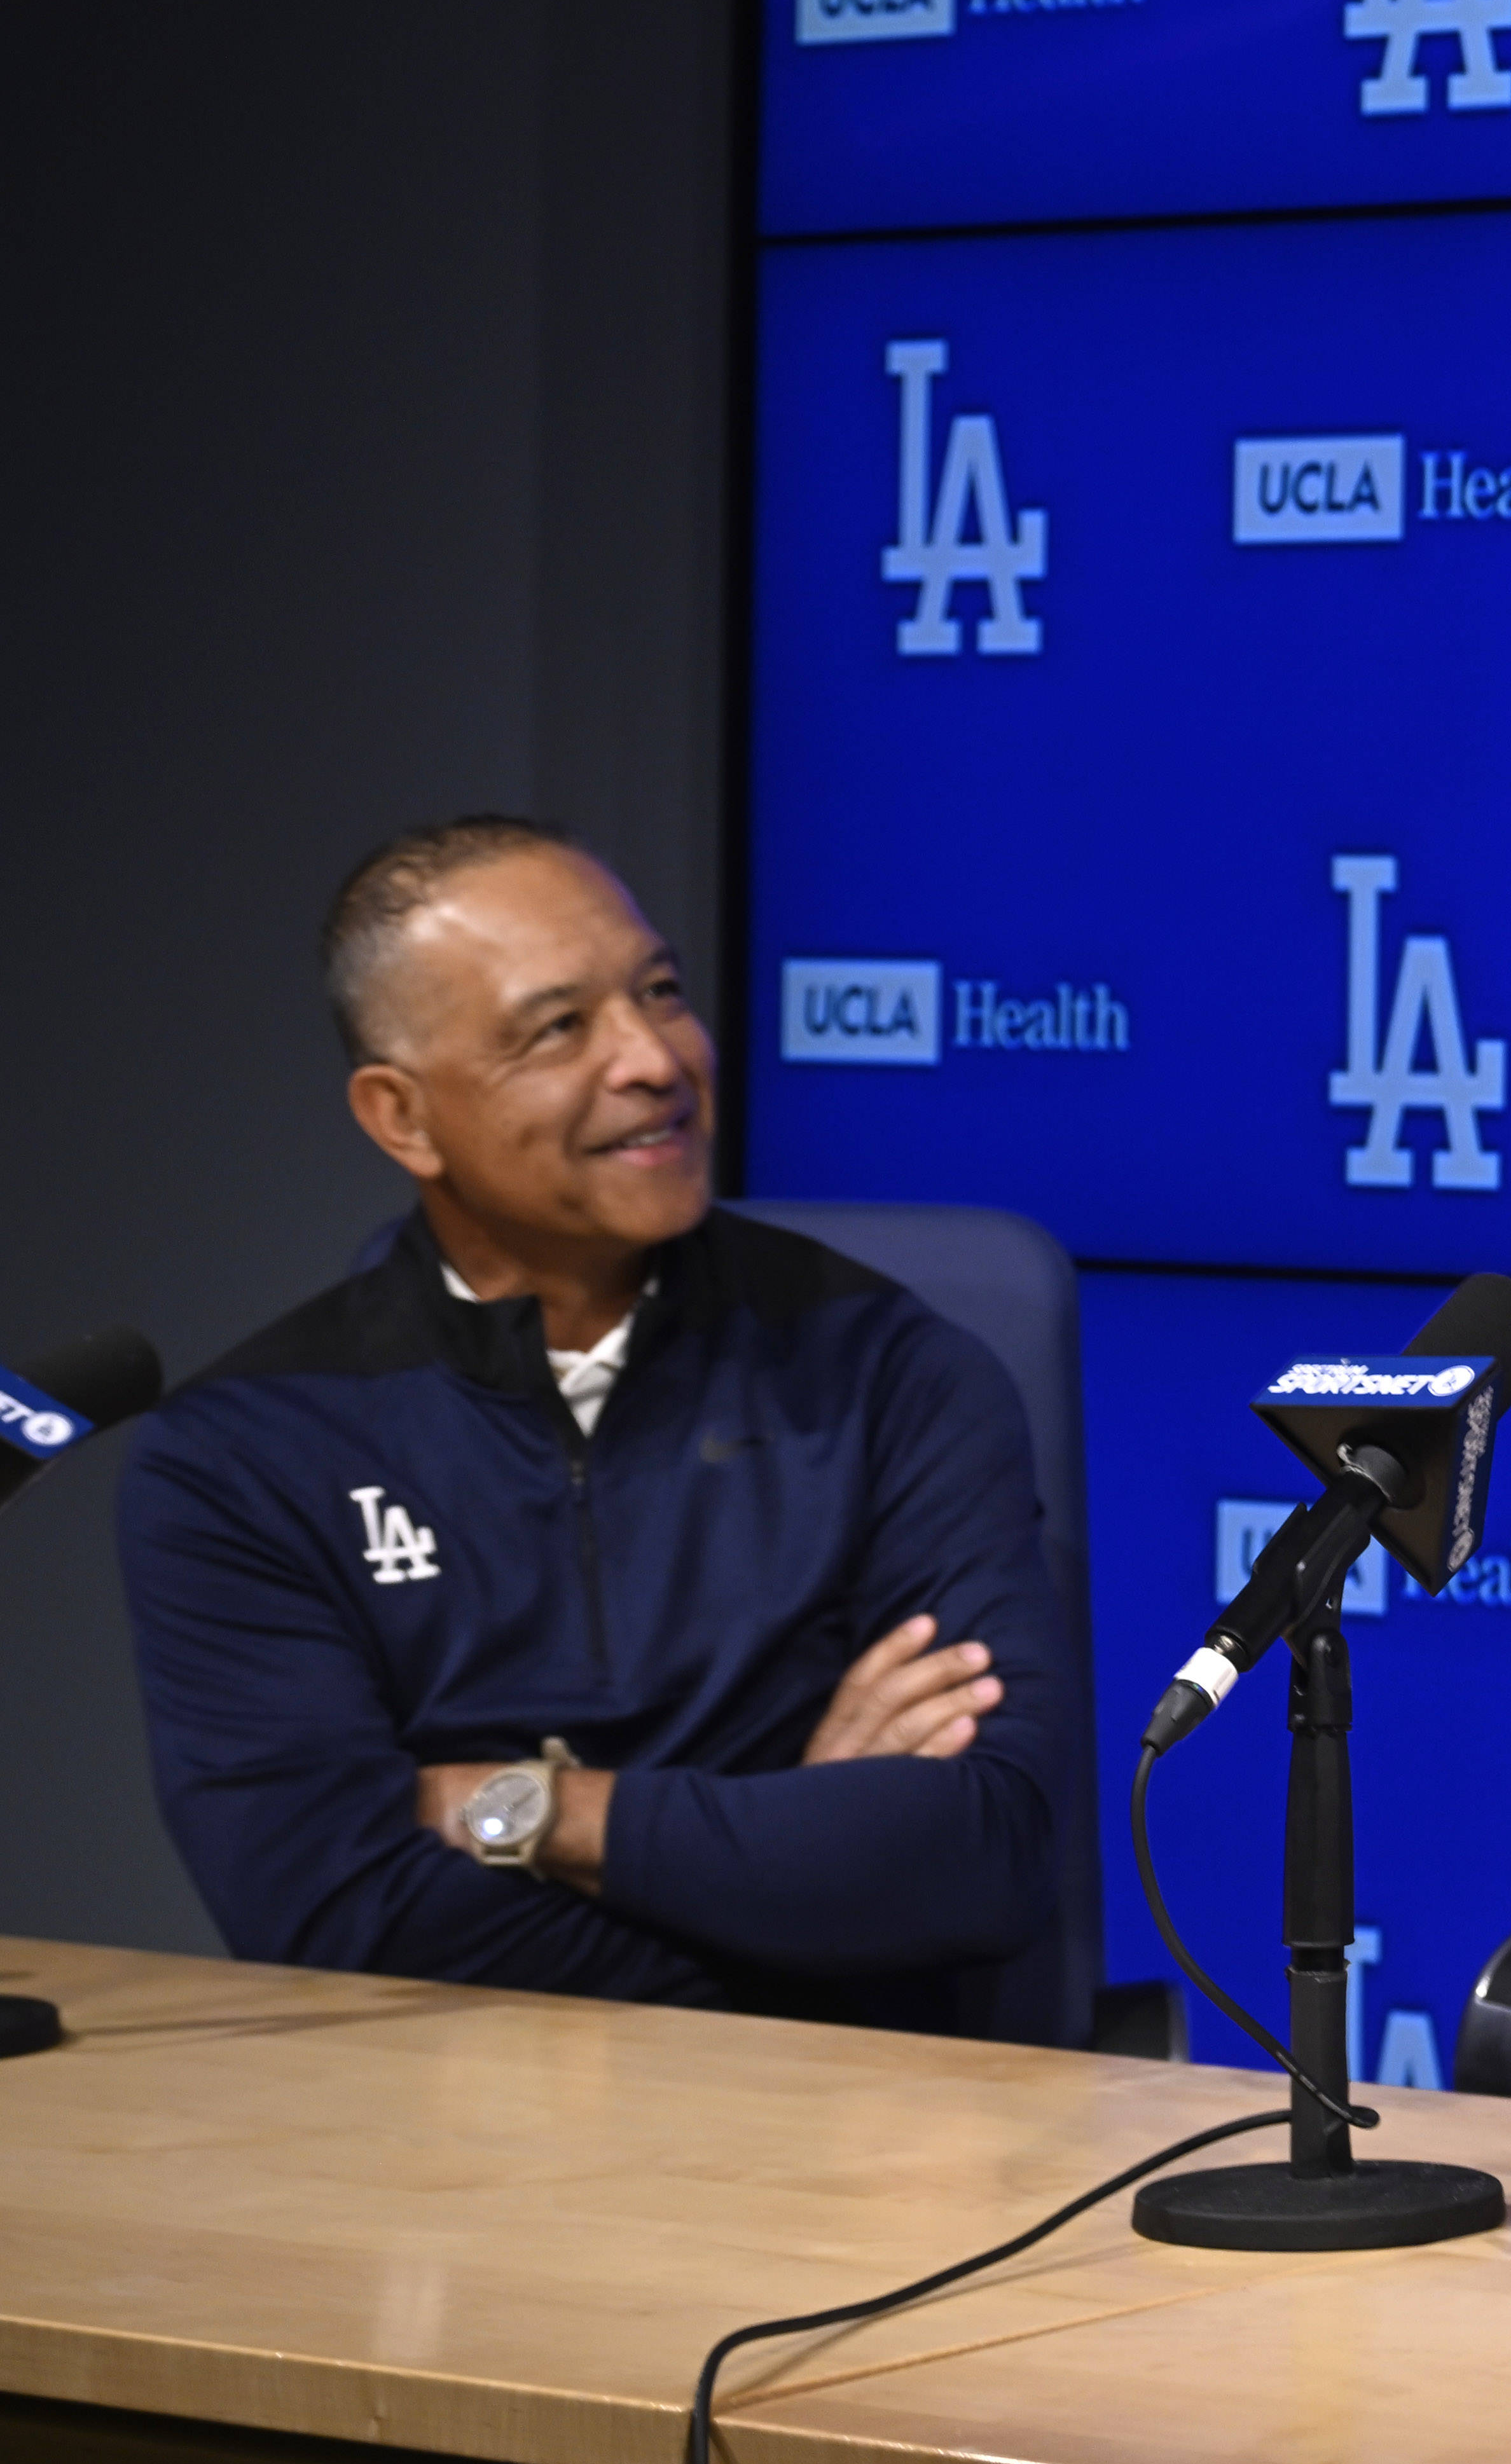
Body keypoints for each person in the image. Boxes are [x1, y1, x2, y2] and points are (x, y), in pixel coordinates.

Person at [118, 816, 1077, 2040]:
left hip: (857, 2146)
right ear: (402, 1117)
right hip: (430, 2154)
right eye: (559, 1028)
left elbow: (973, 1857)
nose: (653, 1059)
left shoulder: (892, 1371)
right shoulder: (245, 1454)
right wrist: (792, 1853)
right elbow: (332, 1920)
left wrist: (523, 1811)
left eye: (661, 992)